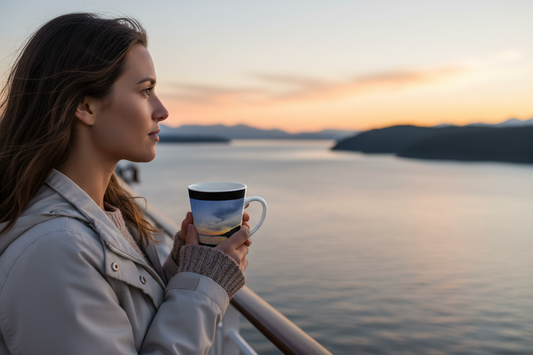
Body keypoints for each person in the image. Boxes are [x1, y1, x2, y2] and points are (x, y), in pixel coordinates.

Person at [0, 12, 252, 354]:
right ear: (85, 106)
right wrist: (205, 288)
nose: (162, 110)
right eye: (145, 90)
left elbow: (127, 319)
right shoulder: (54, 251)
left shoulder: (107, 216)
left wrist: (183, 268)